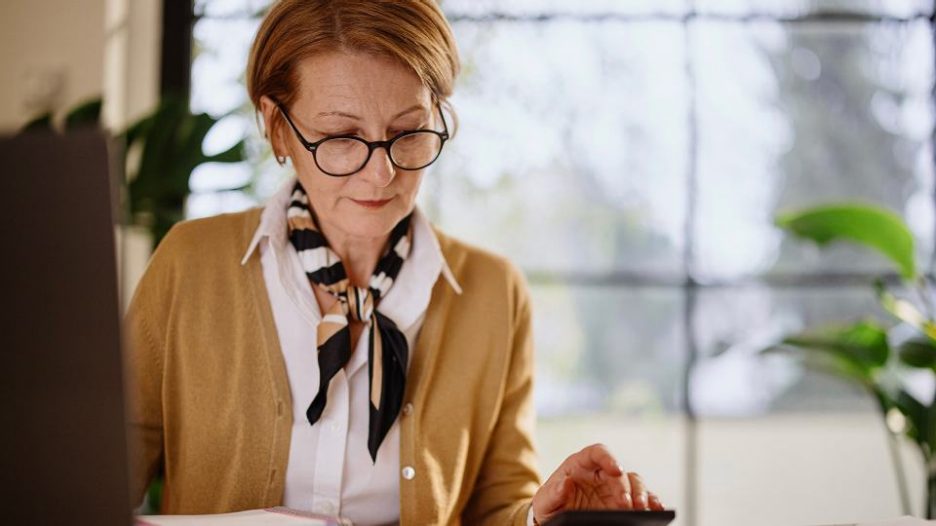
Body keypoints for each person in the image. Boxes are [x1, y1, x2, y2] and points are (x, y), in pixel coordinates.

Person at [124, 1, 665, 524]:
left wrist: (541, 518)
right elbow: (101, 477)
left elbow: (500, 503)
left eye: (408, 132)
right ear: (277, 126)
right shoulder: (190, 264)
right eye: (342, 137)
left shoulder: (492, 292)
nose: (382, 174)